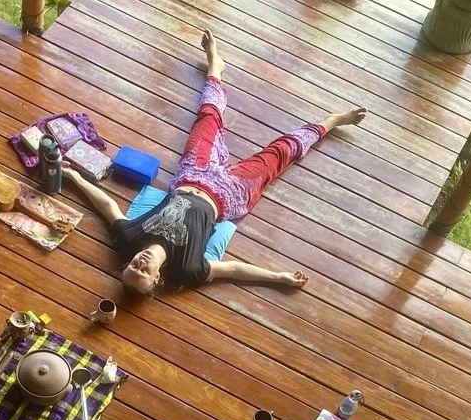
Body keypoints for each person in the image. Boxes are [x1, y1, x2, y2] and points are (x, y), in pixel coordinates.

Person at [64, 30, 366, 297]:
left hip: (192, 174)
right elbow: (231, 270)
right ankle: (331, 122)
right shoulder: (188, 270)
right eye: (144, 272)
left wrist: (75, 178)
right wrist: (279, 278)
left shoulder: (128, 238)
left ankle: (215, 67)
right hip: (229, 195)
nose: (140, 264)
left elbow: (107, 207)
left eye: (133, 267)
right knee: (280, 154)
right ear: (157, 279)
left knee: (207, 118)